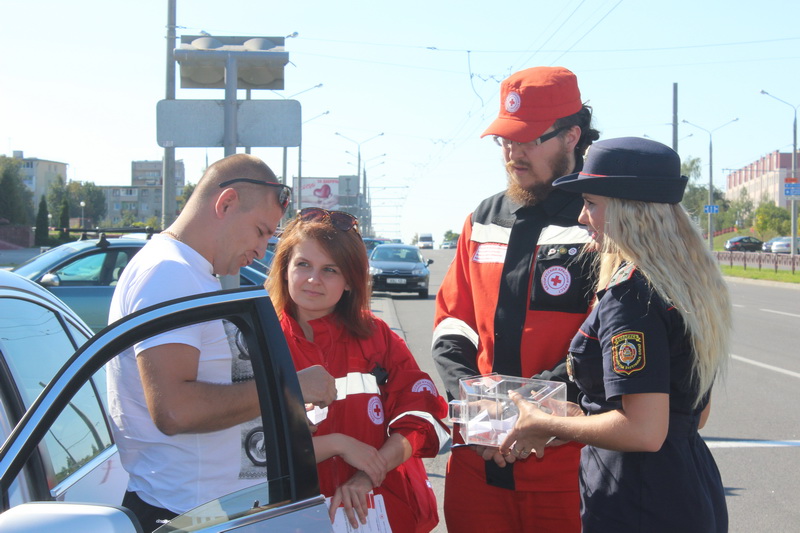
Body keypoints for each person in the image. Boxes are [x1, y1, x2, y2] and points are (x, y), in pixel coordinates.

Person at [501, 137, 730, 532]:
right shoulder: (688, 285)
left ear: (629, 212)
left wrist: (546, 424)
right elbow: (692, 414)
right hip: (687, 488)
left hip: (641, 503)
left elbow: (644, 431)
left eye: (591, 203)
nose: (581, 217)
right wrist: (579, 416)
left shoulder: (632, 295)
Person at [106, 154, 337, 532]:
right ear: (226, 203)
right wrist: (288, 389)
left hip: (200, 511)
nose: (262, 251)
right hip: (188, 516)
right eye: (262, 231)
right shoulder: (170, 274)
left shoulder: (186, 272)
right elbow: (175, 410)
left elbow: (210, 395)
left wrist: (279, 416)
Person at [432, 65, 600, 532]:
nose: (512, 153)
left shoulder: (599, 220)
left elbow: (601, 340)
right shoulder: (483, 219)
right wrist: (476, 405)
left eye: (527, 140)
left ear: (571, 135)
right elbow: (453, 323)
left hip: (568, 470)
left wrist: (524, 413)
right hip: (476, 465)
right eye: (505, 140)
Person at [266, 207, 450, 532]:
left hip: (378, 511)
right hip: (292, 517)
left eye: (330, 270)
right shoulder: (259, 343)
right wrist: (338, 443)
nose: (313, 279)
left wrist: (368, 475)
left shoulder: (376, 335)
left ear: (350, 281)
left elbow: (422, 417)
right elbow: (250, 450)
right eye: (303, 265)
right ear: (284, 270)